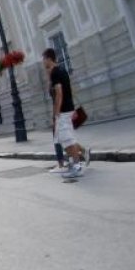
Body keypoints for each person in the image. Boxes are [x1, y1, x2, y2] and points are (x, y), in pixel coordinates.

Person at [43, 48, 91, 180]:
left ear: (48, 58)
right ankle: (75, 163)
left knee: (68, 139)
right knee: (64, 139)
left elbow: (59, 93)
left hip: (63, 110)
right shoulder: (61, 70)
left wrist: (57, 112)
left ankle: (77, 166)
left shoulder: (55, 72)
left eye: (43, 59)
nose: (43, 62)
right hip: (67, 108)